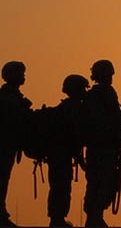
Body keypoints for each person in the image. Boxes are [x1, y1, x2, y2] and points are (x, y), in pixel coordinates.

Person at [0, 61, 33, 228]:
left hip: (8, 145)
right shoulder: (5, 97)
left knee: (2, 180)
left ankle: (0, 216)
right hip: (2, 146)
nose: (23, 76)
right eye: (20, 73)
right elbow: (10, 121)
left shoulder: (13, 96)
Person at [82, 60, 121, 228]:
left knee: (96, 182)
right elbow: (111, 120)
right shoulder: (103, 94)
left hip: (100, 147)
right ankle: (95, 216)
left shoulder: (96, 95)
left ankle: (94, 216)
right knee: (102, 182)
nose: (111, 77)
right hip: (104, 147)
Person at [45, 75, 90, 227]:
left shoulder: (69, 108)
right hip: (60, 156)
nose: (85, 92)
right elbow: (73, 137)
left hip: (59, 155)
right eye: (83, 89)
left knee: (60, 187)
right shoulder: (71, 110)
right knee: (61, 187)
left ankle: (57, 218)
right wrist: (82, 161)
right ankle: (57, 219)